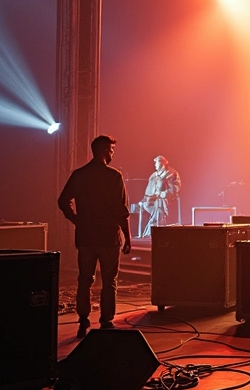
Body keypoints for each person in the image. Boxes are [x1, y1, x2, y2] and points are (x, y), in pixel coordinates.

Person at [58, 135, 132, 338]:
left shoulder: (79, 174)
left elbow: (63, 200)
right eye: (111, 150)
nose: (113, 153)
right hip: (109, 237)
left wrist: (75, 219)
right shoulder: (114, 176)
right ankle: (106, 322)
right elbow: (121, 211)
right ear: (105, 151)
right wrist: (127, 237)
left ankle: (83, 320)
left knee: (84, 279)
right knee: (109, 281)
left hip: (86, 236)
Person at [138, 155, 181, 237]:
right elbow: (149, 189)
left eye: (156, 163)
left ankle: (152, 231)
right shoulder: (153, 175)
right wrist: (145, 198)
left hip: (167, 199)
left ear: (162, 162)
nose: (155, 165)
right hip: (152, 200)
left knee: (159, 207)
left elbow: (176, 188)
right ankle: (153, 228)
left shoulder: (172, 173)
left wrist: (165, 193)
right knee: (148, 206)